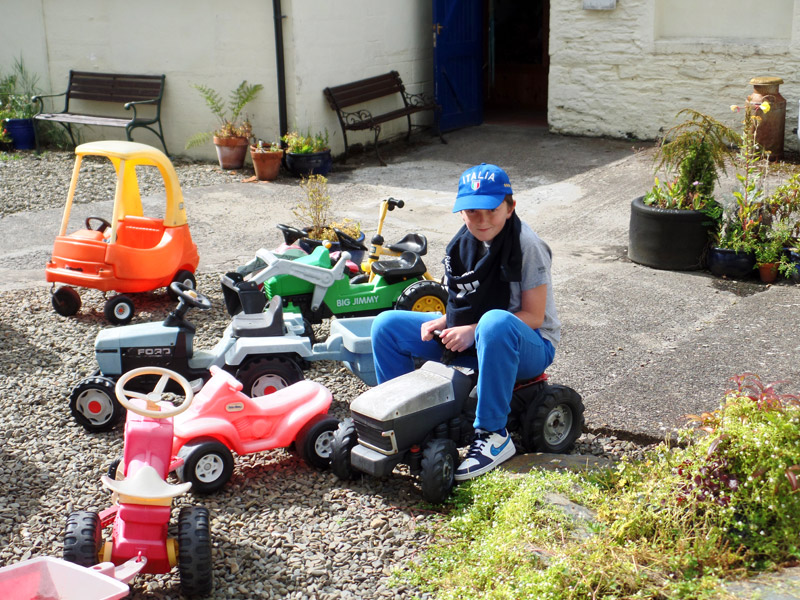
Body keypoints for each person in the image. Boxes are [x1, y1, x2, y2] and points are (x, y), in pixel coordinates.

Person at [371, 163, 560, 480]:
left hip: (529, 342)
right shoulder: (461, 246)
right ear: (461, 213)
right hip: (480, 332)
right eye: (472, 211)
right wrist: (446, 321)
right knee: (386, 326)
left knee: (494, 324)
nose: (483, 221)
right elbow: (466, 304)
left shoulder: (527, 246)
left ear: (510, 207)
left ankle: (492, 434)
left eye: (492, 210)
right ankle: (400, 419)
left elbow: (534, 316)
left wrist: (473, 330)